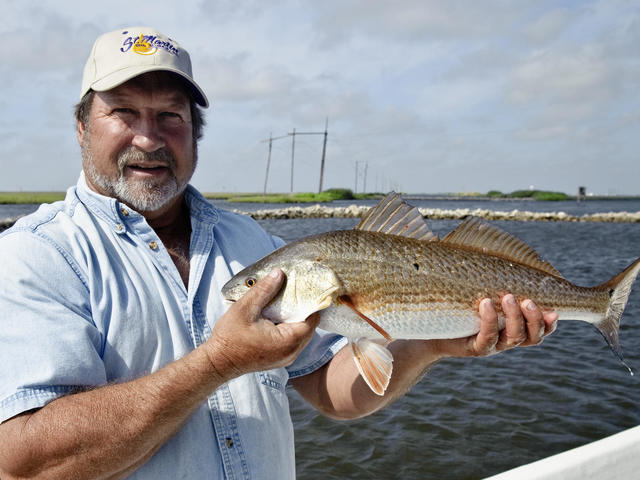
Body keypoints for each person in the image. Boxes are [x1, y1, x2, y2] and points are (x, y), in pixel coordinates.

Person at [0, 26, 557, 479]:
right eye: (123, 111)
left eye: (171, 116)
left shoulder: (255, 244)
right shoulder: (34, 256)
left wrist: (427, 343)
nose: (149, 137)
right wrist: (217, 364)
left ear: (195, 133)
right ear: (81, 127)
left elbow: (332, 392)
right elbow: (23, 464)